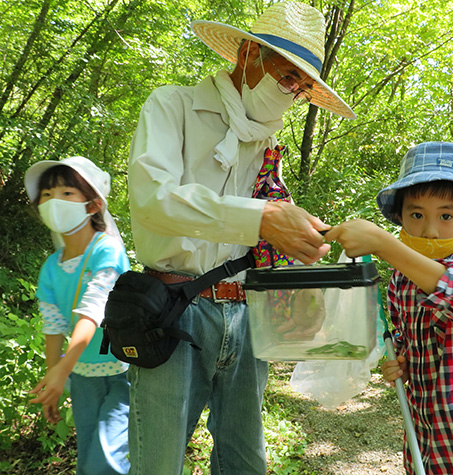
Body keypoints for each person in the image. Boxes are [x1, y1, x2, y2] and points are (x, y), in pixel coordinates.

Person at [125, 1, 355, 473]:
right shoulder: (173, 106)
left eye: (302, 85)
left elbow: (262, 247)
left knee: (246, 464)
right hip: (175, 309)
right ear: (249, 53)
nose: (292, 92)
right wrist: (262, 218)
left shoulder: (268, 143)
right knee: (158, 463)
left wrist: (298, 291)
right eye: (287, 75)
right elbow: (152, 198)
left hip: (249, 318)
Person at [326, 142, 453, 475]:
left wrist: (385, 244)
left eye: (445, 215)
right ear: (400, 216)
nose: (429, 229)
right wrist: (402, 363)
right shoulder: (400, 279)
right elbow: (405, 340)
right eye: (416, 215)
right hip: (423, 437)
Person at [25, 156, 131, 475]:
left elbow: (93, 310)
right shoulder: (50, 267)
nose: (54, 200)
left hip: (124, 368)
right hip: (83, 376)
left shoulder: (106, 249)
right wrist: (52, 379)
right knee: (88, 452)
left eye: (67, 192)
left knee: (108, 458)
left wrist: (60, 371)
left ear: (93, 205)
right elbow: (54, 324)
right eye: (46, 194)